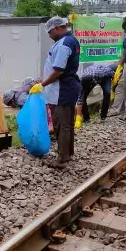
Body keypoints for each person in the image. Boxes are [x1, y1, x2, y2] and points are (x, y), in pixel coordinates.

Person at [30, 16, 81, 169]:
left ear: (58, 28)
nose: (50, 36)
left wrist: (42, 84)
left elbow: (58, 70)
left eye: (50, 32)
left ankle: (62, 158)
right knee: (67, 124)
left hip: (62, 90)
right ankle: (68, 153)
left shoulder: (64, 43)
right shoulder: (70, 40)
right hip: (66, 88)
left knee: (62, 124)